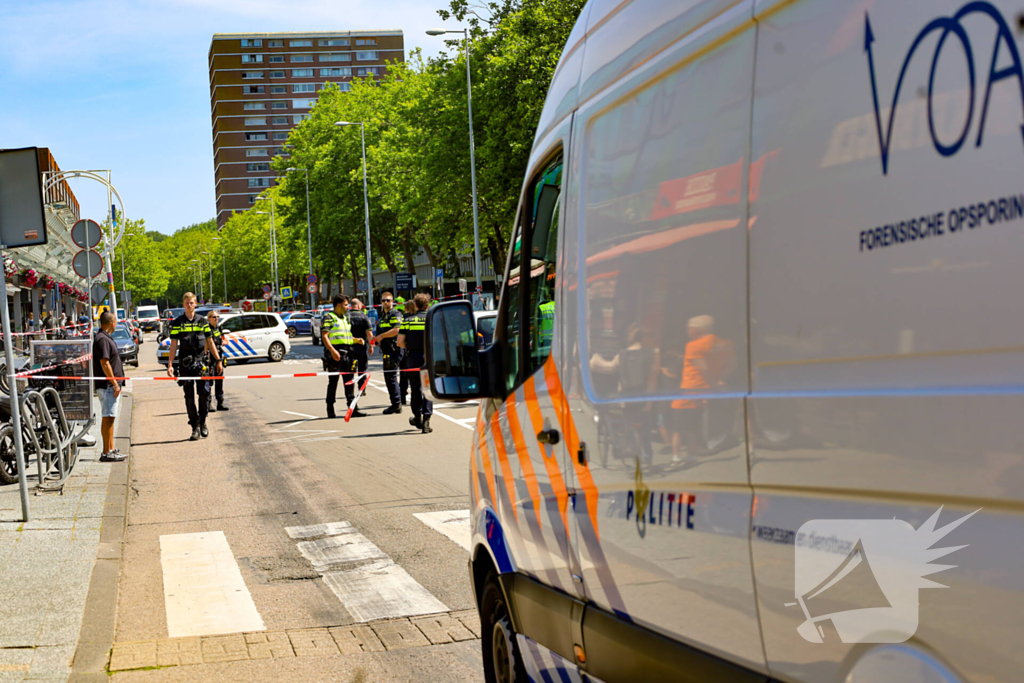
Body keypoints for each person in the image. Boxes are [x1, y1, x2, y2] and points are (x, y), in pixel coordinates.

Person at [670, 315, 735, 461]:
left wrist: (714, 385)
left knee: (679, 427)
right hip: (711, 390)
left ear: (697, 329)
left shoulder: (693, 345)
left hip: (691, 390)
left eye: (689, 328)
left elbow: (703, 369)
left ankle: (676, 457)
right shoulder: (727, 344)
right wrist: (720, 382)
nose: (687, 331)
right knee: (697, 424)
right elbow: (731, 364)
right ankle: (697, 452)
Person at [165, 292, 222, 441]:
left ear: (195, 304)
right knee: (189, 397)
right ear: (183, 304)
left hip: (201, 362)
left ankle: (203, 422)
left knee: (204, 394)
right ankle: (194, 426)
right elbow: (173, 344)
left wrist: (218, 360)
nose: (189, 305)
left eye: (192, 303)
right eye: (187, 303)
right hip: (185, 363)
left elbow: (210, 342)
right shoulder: (177, 322)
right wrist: (170, 365)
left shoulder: (203, 322)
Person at [321, 294, 366, 419]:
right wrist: (332, 351)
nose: (348, 307)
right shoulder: (329, 317)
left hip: (347, 353)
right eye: (346, 305)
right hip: (334, 354)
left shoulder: (346, 318)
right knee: (333, 382)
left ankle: (353, 408)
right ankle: (330, 408)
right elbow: (325, 336)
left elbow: (346, 337)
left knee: (349, 382)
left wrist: (357, 340)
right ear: (339, 305)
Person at [93, 311, 127, 461]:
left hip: (109, 385)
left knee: (110, 417)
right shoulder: (102, 339)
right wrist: (114, 383)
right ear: (112, 323)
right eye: (116, 321)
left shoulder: (104, 338)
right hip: (107, 385)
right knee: (107, 417)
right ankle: (106, 452)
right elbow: (105, 362)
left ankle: (111, 449)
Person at [398, 293, 432, 433]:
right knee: (428, 389)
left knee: (415, 388)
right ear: (428, 305)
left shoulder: (408, 320)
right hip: (429, 358)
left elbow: (400, 342)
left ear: (415, 305)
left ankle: (417, 416)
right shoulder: (432, 320)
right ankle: (426, 422)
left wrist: (411, 347)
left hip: (413, 357)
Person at [375, 291, 404, 414]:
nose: (385, 302)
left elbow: (396, 330)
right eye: (383, 300)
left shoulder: (395, 314)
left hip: (394, 350)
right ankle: (396, 402)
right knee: (389, 378)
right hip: (387, 350)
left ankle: (396, 404)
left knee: (391, 377)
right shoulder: (383, 315)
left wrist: (381, 336)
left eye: (388, 300)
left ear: (393, 302)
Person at [348, 297, 374, 389]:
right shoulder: (364, 316)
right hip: (361, 346)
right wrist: (371, 346)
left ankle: (350, 389)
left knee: (349, 369)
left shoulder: (346, 316)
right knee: (362, 368)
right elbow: (369, 333)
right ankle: (362, 388)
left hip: (349, 346)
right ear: (359, 305)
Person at [205, 311, 228, 412]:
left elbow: (223, 338)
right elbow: (206, 344)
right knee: (209, 382)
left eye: (218, 317)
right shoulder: (207, 329)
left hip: (219, 357)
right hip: (211, 358)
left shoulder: (218, 327)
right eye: (214, 317)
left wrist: (223, 342)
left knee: (219, 380)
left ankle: (220, 403)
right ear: (209, 318)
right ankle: (208, 404)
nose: (216, 318)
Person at [399, 299, 417, 405]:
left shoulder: (404, 319)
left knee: (403, 374)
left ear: (406, 308)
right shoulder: (416, 318)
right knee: (415, 377)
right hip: (415, 350)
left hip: (405, 350)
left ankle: (402, 397)